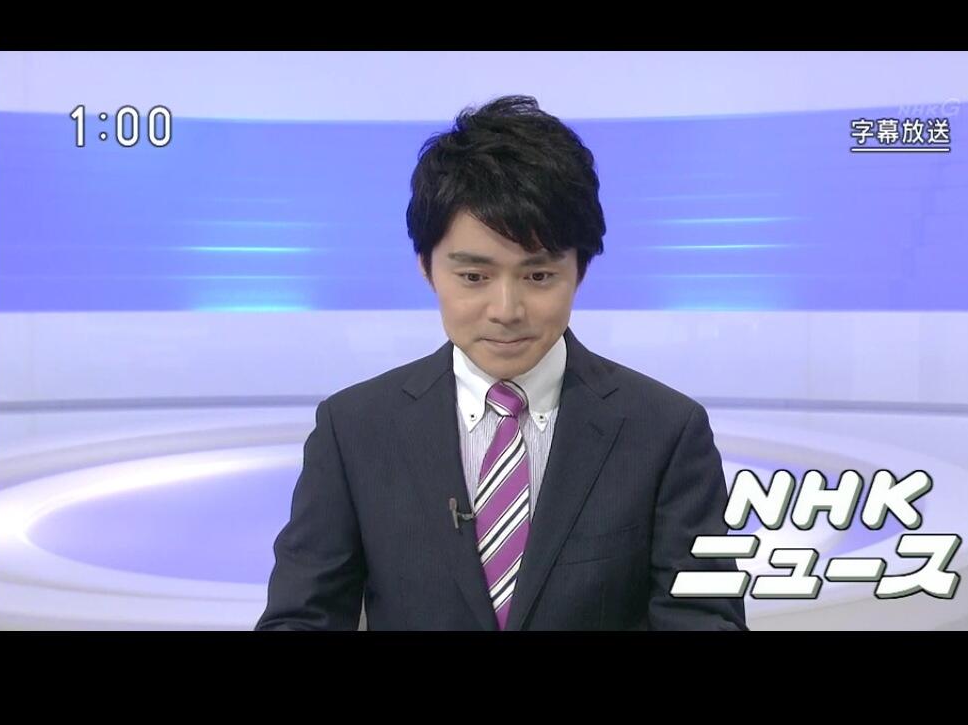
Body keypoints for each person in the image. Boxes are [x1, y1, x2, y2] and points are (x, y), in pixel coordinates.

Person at [255, 95, 747, 630]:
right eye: (474, 277)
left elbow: (704, 620)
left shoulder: (666, 431)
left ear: (580, 270)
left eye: (539, 276)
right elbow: (301, 618)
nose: (506, 310)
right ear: (426, 267)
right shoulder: (353, 429)